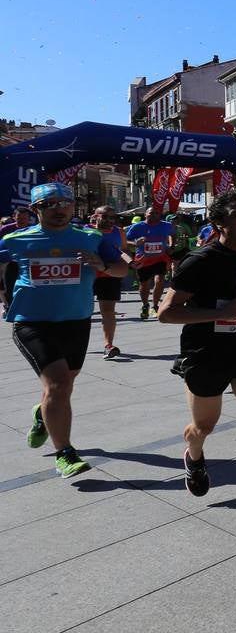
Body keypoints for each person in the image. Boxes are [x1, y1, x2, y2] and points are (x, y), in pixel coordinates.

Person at [158, 190, 236, 540]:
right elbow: (165, 314)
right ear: (219, 222)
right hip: (207, 354)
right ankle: (194, 455)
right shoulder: (200, 261)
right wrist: (219, 313)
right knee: (203, 426)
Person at [0, 183, 126, 477]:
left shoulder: (91, 237)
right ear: (35, 210)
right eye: (49, 205)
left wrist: (102, 264)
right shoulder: (16, 238)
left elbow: (121, 269)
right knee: (58, 385)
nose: (58, 210)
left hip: (76, 321)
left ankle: (41, 412)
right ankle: (65, 453)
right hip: (32, 322)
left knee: (64, 384)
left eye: (64, 204)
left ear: (73, 206)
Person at [90, 205, 131, 360]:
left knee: (108, 311)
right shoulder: (85, 231)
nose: (109, 220)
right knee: (83, 311)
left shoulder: (119, 232)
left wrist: (131, 262)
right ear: (95, 216)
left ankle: (109, 345)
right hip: (88, 275)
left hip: (110, 273)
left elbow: (123, 251)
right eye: (105, 216)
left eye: (112, 217)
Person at [125, 206, 175, 320]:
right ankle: (145, 305)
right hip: (143, 259)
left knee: (160, 280)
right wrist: (135, 243)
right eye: (151, 213)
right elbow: (125, 241)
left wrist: (171, 245)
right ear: (145, 214)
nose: (154, 215)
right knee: (144, 284)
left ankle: (155, 306)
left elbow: (173, 233)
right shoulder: (137, 227)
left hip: (160, 258)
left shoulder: (166, 225)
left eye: (157, 213)